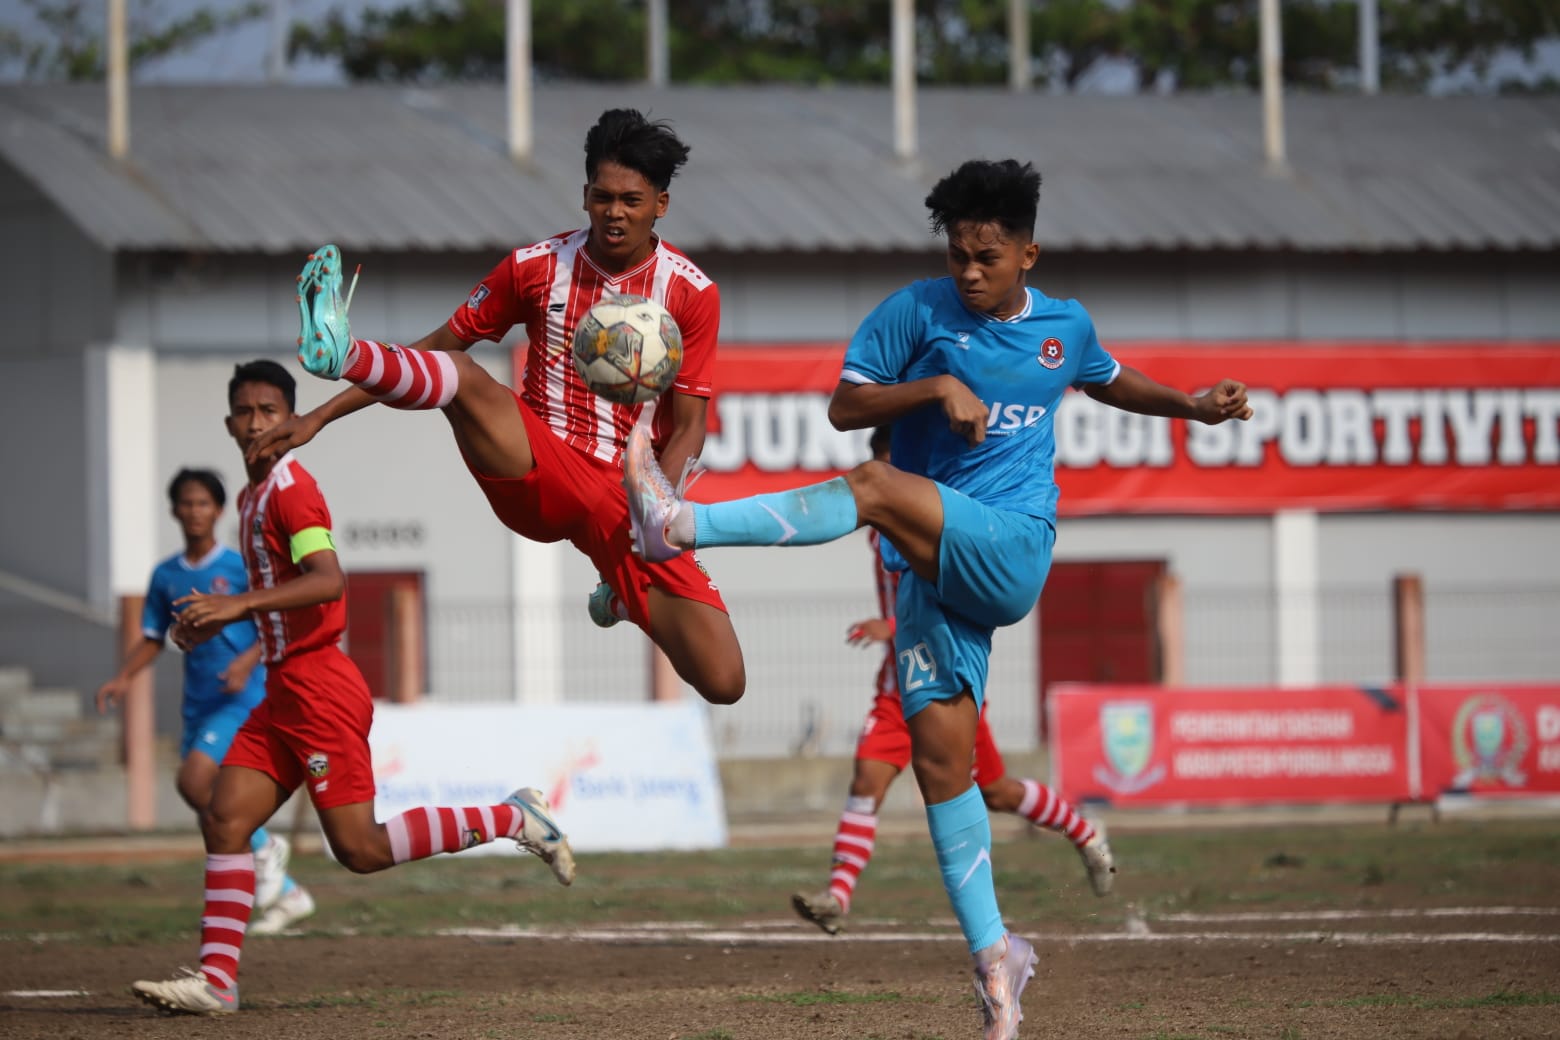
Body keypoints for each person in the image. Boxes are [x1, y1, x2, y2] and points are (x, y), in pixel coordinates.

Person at [622, 159, 1252, 1040]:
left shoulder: (1064, 328)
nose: (968, 271)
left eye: (986, 256)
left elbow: (1107, 377)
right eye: (957, 254)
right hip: (934, 573)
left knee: (875, 488)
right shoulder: (915, 312)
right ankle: (1000, 969)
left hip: (1013, 545)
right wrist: (933, 386)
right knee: (942, 768)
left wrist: (1192, 405)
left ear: (1028, 251)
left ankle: (678, 526)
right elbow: (846, 406)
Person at [253, 108, 743, 706]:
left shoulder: (691, 294)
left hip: (623, 493)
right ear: (584, 194)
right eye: (602, 197)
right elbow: (434, 350)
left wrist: (657, 509)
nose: (615, 213)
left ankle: (615, 594)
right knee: (460, 374)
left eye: (632, 200)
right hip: (534, 456)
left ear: (660, 204)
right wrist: (318, 417)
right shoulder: (533, 268)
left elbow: (690, 425)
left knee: (724, 680)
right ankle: (343, 351)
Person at [130, 360, 574, 1017]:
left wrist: (236, 607)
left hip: (319, 688)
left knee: (360, 851)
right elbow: (279, 599)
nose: (256, 422)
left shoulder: (290, 491)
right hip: (282, 689)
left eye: (270, 411)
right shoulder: (252, 495)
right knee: (224, 817)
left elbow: (329, 579)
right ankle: (216, 982)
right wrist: (218, 622)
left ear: (290, 417)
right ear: (229, 423)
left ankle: (515, 817)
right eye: (245, 412)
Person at [791, 429, 1114, 938]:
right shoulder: (879, 529)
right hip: (897, 686)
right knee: (866, 781)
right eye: (880, 471)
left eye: (895, 470)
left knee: (998, 793)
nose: (887, 484)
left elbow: (957, 597)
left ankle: (1083, 831)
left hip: (947, 679)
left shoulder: (947, 524)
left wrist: (890, 627)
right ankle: (837, 896)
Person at [96, 468, 316, 935]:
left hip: (242, 699)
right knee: (213, 813)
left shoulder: (239, 568)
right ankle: (289, 892)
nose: (195, 512)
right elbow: (154, 637)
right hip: (198, 704)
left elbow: (275, 619)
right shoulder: (166, 575)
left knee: (194, 782)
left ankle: (266, 850)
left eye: (203, 503)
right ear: (174, 510)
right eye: (186, 503)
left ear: (218, 510)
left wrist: (244, 664)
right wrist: (122, 677)